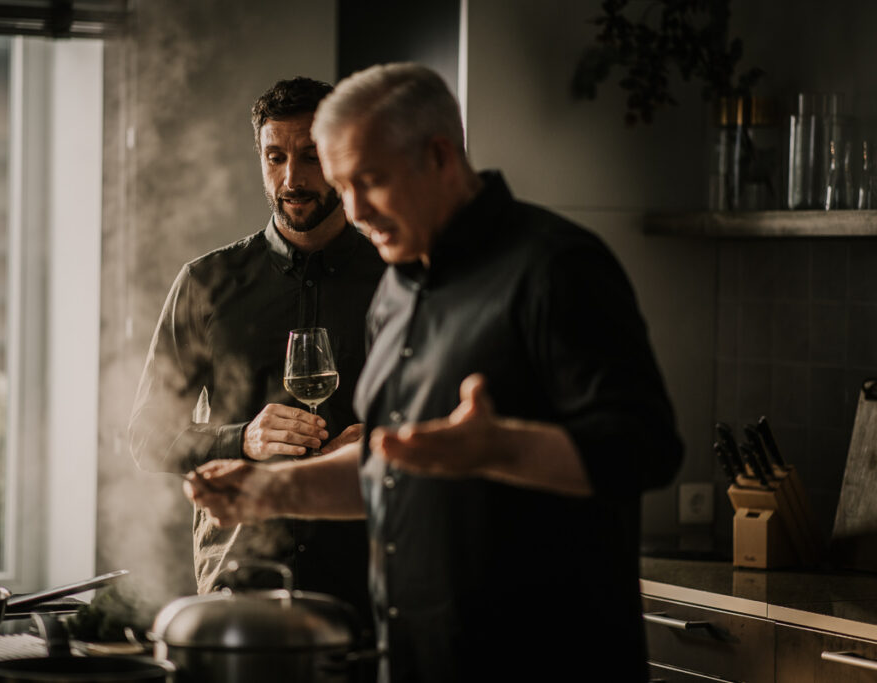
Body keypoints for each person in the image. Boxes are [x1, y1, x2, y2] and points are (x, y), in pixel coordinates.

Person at [183, 62, 684, 683]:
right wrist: (271, 490)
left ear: (440, 155)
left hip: (542, 655)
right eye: (345, 183)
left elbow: (648, 449)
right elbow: (392, 467)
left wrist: (502, 448)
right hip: (418, 656)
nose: (356, 209)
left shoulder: (557, 267)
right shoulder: (397, 290)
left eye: (371, 181)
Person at [128, 77, 385, 637]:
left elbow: (443, 421)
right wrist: (241, 439)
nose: (292, 178)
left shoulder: (397, 280)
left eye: (312, 156)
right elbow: (147, 436)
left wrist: (381, 440)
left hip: (373, 585)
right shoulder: (205, 283)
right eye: (276, 157)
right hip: (237, 584)